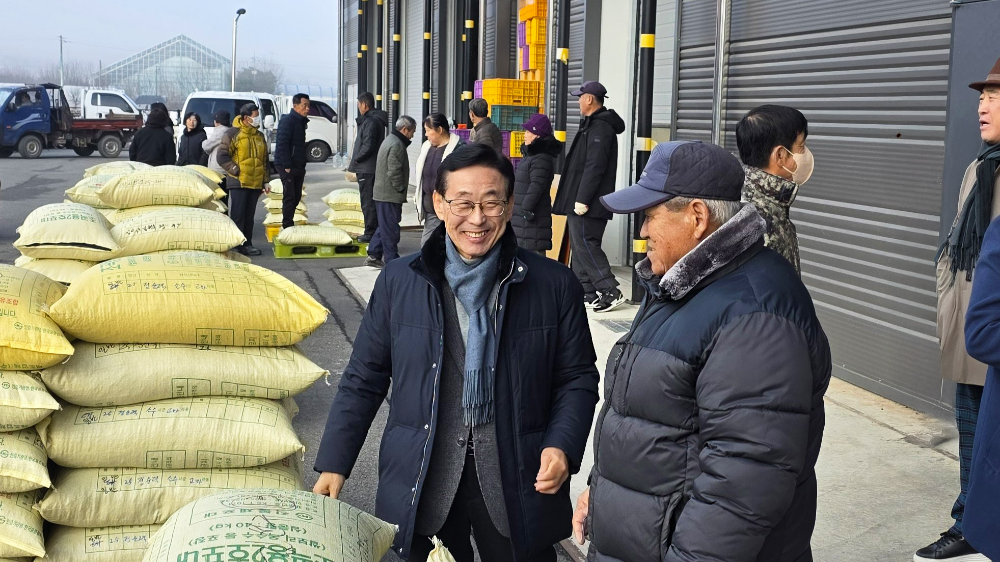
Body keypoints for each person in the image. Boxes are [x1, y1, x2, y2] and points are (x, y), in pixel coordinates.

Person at [313, 143, 600, 562]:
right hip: (422, 477)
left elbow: (577, 377)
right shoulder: (400, 281)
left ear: (509, 204)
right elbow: (365, 375)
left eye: (491, 203)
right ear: (439, 203)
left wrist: (562, 444)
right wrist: (335, 462)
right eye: (463, 204)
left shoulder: (553, 285)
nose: (477, 220)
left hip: (517, 480)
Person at [572, 140, 832, 562]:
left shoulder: (754, 315)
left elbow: (743, 486)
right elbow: (649, 422)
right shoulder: (686, 284)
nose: (641, 232)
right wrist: (600, 492)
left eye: (650, 216)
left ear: (697, 216)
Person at [922, 57, 1000, 562]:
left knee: (988, 440)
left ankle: (974, 523)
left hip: (991, 331)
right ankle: (968, 518)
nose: (983, 105)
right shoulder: (982, 164)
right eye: (981, 96)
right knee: (972, 429)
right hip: (968, 321)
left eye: (994, 96)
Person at [552, 81, 626, 312]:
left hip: (589, 202)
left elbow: (595, 167)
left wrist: (583, 199)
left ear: (589, 99)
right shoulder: (592, 125)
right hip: (580, 200)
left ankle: (610, 290)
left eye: (579, 97)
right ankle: (587, 293)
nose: (577, 101)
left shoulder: (601, 128)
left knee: (586, 244)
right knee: (580, 245)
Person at [736, 105, 813, 274]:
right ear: (780, 155)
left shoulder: (760, 199)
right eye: (801, 147)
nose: (806, 154)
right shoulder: (758, 223)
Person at [218, 103, 270, 257]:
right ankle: (235, 244)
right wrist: (236, 170)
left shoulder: (259, 136)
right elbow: (221, 156)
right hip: (239, 182)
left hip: (255, 182)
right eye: (255, 115)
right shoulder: (232, 134)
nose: (258, 118)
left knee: (249, 216)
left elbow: (265, 160)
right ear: (246, 118)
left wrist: (265, 181)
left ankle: (247, 244)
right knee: (238, 215)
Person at [366, 115, 416, 268]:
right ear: (404, 129)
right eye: (412, 132)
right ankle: (391, 261)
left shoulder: (391, 140)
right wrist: (400, 188)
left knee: (385, 225)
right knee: (390, 229)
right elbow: (394, 171)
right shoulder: (396, 144)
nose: (413, 135)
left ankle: (374, 254)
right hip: (389, 194)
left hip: (384, 193)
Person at [511, 114, 562, 255]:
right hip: (524, 220)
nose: (524, 135)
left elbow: (537, 185)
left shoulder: (541, 158)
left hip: (532, 219)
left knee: (534, 260)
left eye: (528, 132)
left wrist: (526, 208)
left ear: (538, 135)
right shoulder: (531, 156)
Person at [416, 113, 465, 246]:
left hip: (450, 210)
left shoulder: (458, 149)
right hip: (431, 211)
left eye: (428, 130)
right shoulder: (426, 147)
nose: (426, 134)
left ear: (440, 130)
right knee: (427, 246)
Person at [347, 92, 389, 242]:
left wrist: (357, 159)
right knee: (370, 201)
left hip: (367, 168)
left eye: (359, 105)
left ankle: (370, 233)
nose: (359, 108)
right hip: (369, 167)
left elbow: (368, 145)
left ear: (364, 105)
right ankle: (374, 232)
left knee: (368, 202)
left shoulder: (371, 122)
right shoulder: (373, 120)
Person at [275, 93, 311, 229]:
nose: (307, 109)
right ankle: (287, 225)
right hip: (287, 165)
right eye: (304, 106)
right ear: (295, 106)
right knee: (289, 196)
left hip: (298, 165)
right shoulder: (288, 121)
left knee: (296, 196)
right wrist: (287, 165)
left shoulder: (301, 122)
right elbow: (282, 143)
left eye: (308, 106)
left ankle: (289, 221)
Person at [202, 109, 232, 205]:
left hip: (219, 170)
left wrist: (204, 142)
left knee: (219, 199)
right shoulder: (228, 130)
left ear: (217, 121)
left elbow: (206, 146)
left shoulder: (221, 131)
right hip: (223, 169)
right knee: (223, 197)